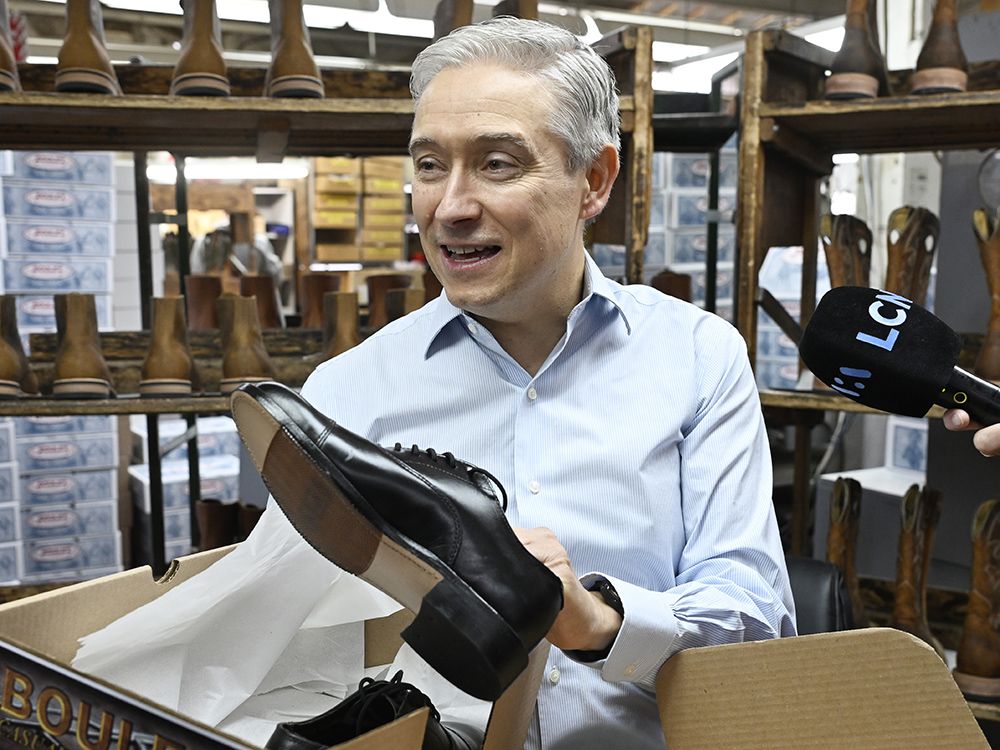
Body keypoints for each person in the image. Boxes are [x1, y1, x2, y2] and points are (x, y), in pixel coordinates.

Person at [294, 16, 795, 749]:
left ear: (593, 180)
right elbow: (296, 647)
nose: (450, 207)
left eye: (497, 164)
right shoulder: (341, 396)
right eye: (430, 165)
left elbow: (755, 612)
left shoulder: (698, 358)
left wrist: (594, 622)